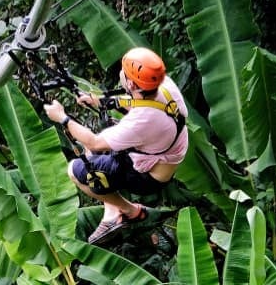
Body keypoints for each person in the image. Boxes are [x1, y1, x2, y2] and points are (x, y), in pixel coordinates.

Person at [43, 47, 188, 244]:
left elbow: (93, 141)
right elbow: (141, 102)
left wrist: (62, 117)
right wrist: (101, 101)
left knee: (75, 170)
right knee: (94, 150)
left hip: (146, 178)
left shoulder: (141, 121)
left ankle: (130, 211)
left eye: (124, 72)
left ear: (130, 83)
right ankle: (111, 212)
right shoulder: (164, 86)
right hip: (160, 154)